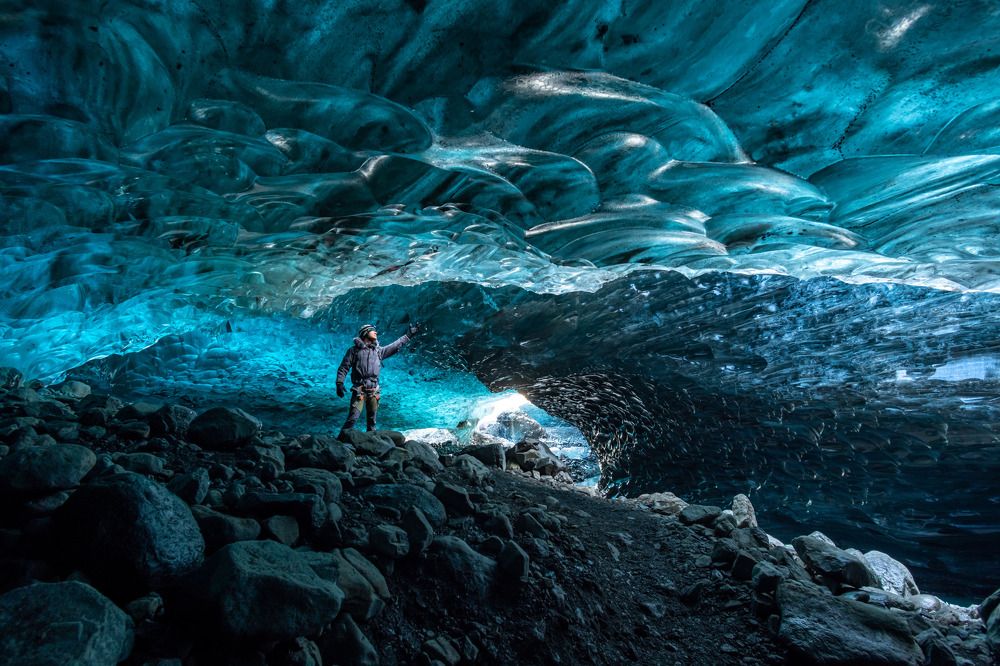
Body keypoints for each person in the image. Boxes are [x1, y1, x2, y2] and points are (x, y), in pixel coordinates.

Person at [336, 322, 420, 433]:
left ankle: (371, 446)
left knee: (372, 422)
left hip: (374, 391)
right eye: (372, 330)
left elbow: (395, 346)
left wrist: (408, 335)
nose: (376, 332)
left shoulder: (378, 351)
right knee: (352, 419)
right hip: (359, 391)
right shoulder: (353, 351)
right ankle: (340, 443)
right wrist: (339, 383)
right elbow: (344, 367)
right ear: (365, 333)